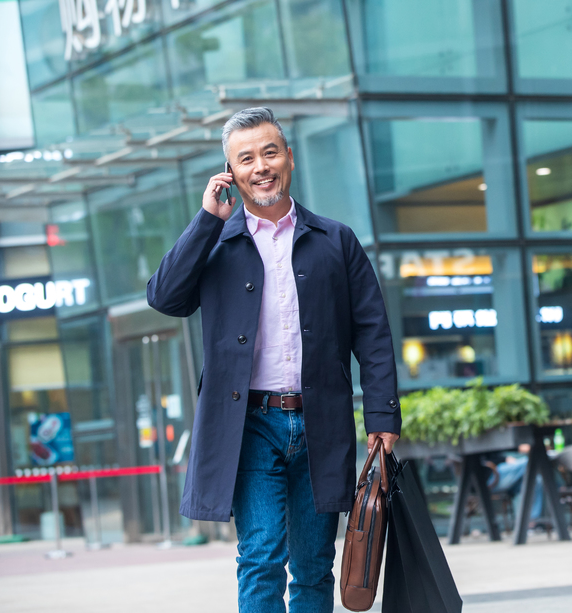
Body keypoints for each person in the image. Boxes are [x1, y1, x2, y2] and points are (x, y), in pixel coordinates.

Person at [147, 107, 401, 613]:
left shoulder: (336, 240)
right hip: (249, 425)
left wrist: (382, 418)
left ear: (289, 157)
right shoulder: (215, 241)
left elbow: (373, 334)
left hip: (321, 422)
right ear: (230, 172)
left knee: (312, 565)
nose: (260, 166)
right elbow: (166, 297)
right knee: (261, 554)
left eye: (269, 152)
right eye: (246, 159)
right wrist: (205, 222)